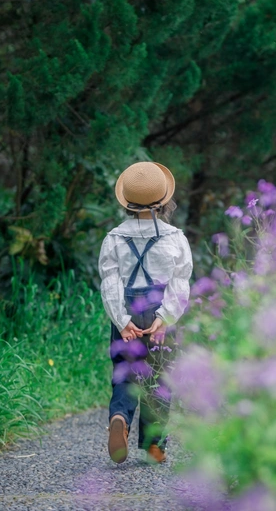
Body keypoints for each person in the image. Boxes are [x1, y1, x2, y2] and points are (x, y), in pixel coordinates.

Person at [98, 161, 193, 464]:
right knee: (160, 379)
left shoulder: (114, 238)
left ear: (126, 202)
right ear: (164, 201)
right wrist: (164, 318)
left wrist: (122, 320)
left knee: (126, 373)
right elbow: (180, 283)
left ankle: (120, 418)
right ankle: (154, 445)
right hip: (159, 310)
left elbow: (110, 282)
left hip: (127, 309)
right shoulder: (175, 237)